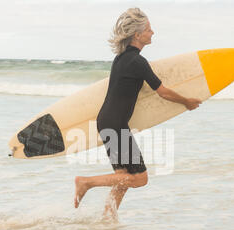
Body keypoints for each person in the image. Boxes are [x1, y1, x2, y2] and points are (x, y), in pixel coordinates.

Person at [74, 8, 202, 217]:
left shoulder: (121, 58)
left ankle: (108, 217)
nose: (152, 33)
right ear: (137, 34)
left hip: (107, 121)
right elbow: (163, 92)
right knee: (140, 178)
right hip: (115, 124)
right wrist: (186, 102)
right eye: (149, 29)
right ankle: (86, 182)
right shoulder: (137, 62)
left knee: (123, 176)